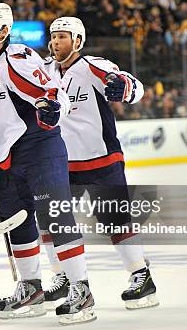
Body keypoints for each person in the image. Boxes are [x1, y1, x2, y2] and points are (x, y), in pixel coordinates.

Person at [0, 2, 95, 325]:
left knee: (56, 217)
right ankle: (31, 288)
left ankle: (81, 290)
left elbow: (51, 91)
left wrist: (54, 106)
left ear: (3, 31)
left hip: (39, 148)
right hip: (8, 158)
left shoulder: (17, 56)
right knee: (20, 222)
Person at [43, 16, 159, 310]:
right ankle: (65, 277)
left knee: (116, 221)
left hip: (102, 160)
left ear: (78, 41)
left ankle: (141, 276)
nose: (56, 42)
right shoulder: (44, 71)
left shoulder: (92, 66)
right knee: (51, 221)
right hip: (62, 163)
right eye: (54, 37)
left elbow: (132, 85)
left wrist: (127, 88)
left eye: (63, 37)